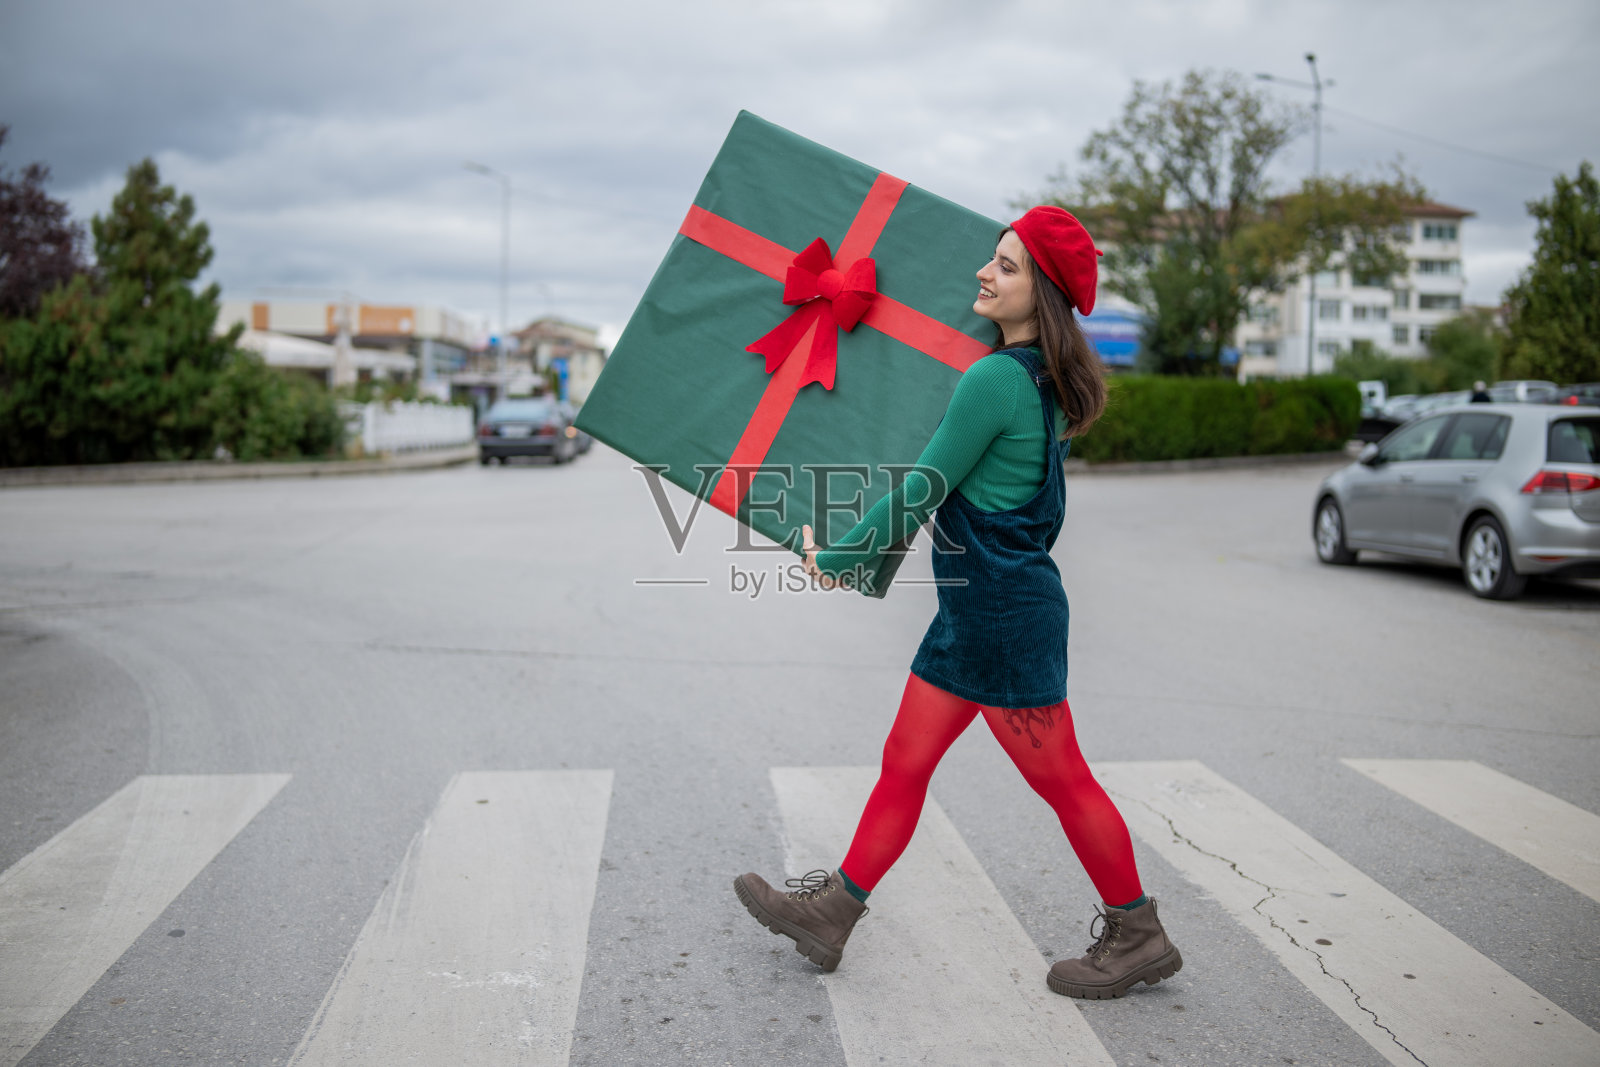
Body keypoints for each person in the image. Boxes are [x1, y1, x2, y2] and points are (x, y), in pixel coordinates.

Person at [733, 206, 1182, 1000]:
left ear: (1038, 292)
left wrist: (834, 557)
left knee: (1064, 779)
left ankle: (1137, 930)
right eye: (992, 257)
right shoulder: (1042, 381)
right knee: (904, 762)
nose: (985, 271)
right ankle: (833, 912)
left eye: (1007, 266)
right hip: (985, 609)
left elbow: (920, 489)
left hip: (1003, 615)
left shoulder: (995, 380)